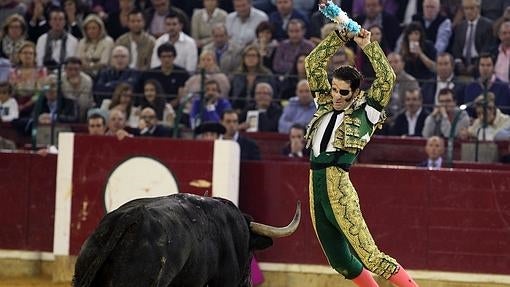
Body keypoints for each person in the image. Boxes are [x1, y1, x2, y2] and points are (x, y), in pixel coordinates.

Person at [304, 6, 418, 284]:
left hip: (338, 184)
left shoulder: (367, 110)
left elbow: (387, 78)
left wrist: (367, 45)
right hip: (314, 181)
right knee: (340, 261)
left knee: (370, 256)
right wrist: (340, 35)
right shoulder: (325, 100)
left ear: (356, 92)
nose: (337, 96)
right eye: (334, 89)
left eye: (344, 92)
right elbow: (313, 63)